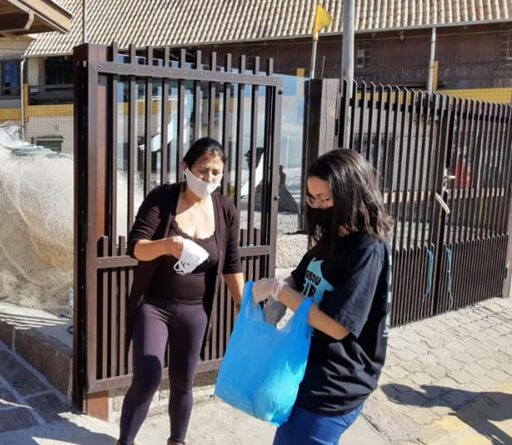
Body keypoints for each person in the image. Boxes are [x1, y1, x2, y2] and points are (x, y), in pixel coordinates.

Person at [251, 149, 393, 445]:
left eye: (325, 199)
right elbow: (301, 276)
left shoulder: (366, 249)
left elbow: (337, 326)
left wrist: (281, 292)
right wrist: (278, 290)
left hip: (335, 384)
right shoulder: (333, 235)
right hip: (310, 370)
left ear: (352, 193)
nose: (317, 207)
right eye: (312, 198)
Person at [118, 137, 245, 445]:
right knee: (147, 379)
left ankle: (177, 441)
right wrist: (166, 246)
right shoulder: (163, 198)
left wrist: (245, 307)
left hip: (195, 310)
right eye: (203, 170)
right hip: (155, 305)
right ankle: (125, 442)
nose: (209, 179)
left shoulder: (225, 208)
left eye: (216, 172)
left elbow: (231, 263)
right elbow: (137, 247)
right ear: (185, 167)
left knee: (183, 382)